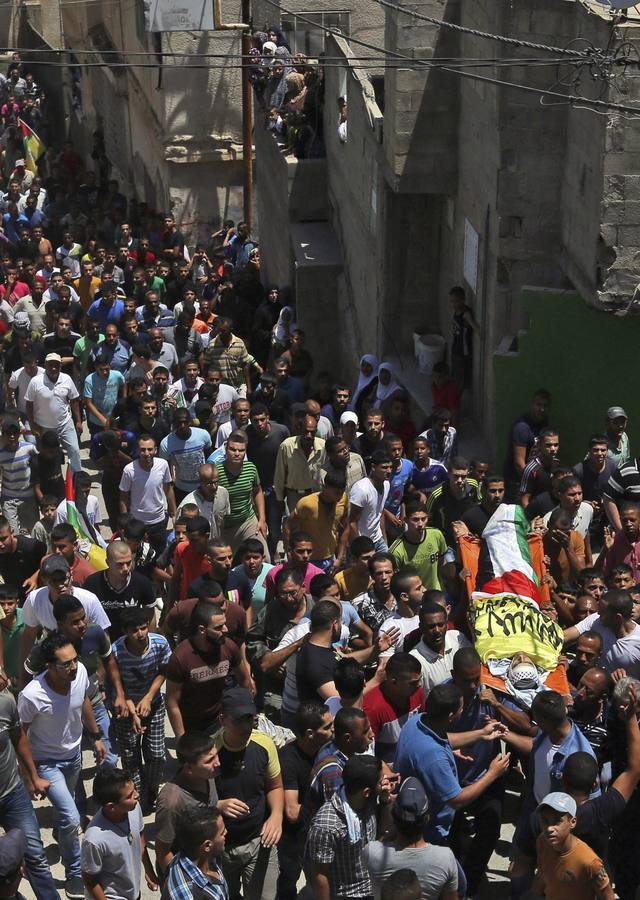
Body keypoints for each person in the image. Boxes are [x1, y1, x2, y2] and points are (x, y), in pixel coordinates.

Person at [17, 632, 108, 899]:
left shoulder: (79, 675)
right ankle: (75, 872)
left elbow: (84, 702)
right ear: (49, 666)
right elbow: (19, 734)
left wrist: (97, 737)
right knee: (71, 817)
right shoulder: (33, 694)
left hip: (74, 756)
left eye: (75, 660)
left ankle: (62, 832)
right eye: (65, 663)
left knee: (64, 815)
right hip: (46, 763)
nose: (73, 667)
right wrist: (30, 775)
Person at [394, 682, 510, 845]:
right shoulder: (434, 756)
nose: (463, 711)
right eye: (461, 709)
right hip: (432, 834)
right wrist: (492, 773)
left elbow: (442, 738)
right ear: (451, 716)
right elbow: (457, 799)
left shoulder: (417, 722)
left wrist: (481, 734)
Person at [213, 687, 283, 900]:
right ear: (222, 720)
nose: (245, 727)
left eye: (250, 720)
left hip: (259, 842)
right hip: (221, 848)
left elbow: (275, 786)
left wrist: (276, 816)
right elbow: (194, 799)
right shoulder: (210, 750)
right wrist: (219, 805)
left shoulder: (264, 744)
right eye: (239, 721)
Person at [111, 607, 171, 812]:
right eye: (135, 630)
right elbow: (116, 684)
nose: (141, 634)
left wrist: (148, 698)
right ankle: (134, 796)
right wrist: (131, 708)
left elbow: (164, 671)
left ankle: (151, 791)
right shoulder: (117, 650)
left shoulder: (160, 644)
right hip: (126, 711)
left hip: (152, 705)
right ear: (126, 631)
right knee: (130, 757)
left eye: (144, 628)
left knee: (156, 754)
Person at [363, 776, 459, 900]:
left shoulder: (372, 852)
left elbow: (381, 840)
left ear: (394, 818)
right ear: (427, 818)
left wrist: (387, 806)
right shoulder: (445, 858)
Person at [165, 600, 250, 737]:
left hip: (220, 719)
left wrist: (246, 712)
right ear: (202, 630)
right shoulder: (181, 657)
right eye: (219, 627)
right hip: (191, 724)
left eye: (225, 624)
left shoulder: (229, 647)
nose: (225, 630)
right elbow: (172, 702)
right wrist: (182, 739)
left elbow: (245, 681)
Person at [306, 754, 385, 900]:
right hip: (346, 895)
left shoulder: (370, 803)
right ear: (366, 792)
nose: (384, 784)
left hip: (372, 888)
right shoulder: (327, 824)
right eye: (381, 782)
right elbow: (319, 874)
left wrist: (386, 801)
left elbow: (383, 836)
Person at [276, 701, 334, 900]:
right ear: (310, 733)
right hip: (293, 840)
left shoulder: (329, 749)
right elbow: (292, 811)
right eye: (327, 727)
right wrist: (330, 811)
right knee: (288, 882)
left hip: (318, 834)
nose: (333, 730)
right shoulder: (288, 760)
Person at [81, 768, 158, 899]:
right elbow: (89, 878)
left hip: (132, 891)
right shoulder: (94, 840)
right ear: (111, 807)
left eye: (134, 790)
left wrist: (149, 870)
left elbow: (139, 835)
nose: (136, 795)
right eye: (129, 795)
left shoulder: (133, 808)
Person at [532, 791, 614, 899]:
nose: (549, 828)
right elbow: (541, 874)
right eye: (545, 821)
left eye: (556, 822)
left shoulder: (591, 862)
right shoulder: (542, 841)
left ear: (573, 822)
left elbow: (608, 896)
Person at [84, 538, 156, 640]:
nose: (126, 568)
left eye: (128, 562)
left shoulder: (142, 583)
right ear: (108, 562)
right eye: (120, 564)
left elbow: (150, 616)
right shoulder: (92, 583)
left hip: (133, 641)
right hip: (104, 640)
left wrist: (151, 641)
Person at [119, 434, 176, 555]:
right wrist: (125, 521)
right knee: (138, 556)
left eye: (150, 449)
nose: (146, 453)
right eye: (143, 449)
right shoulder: (129, 470)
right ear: (137, 450)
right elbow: (123, 496)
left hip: (159, 521)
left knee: (159, 555)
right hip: (137, 522)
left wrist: (173, 511)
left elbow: (168, 488)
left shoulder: (163, 465)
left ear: (155, 450)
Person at [24, 352, 83, 472]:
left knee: (75, 451)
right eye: (50, 365)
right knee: (48, 456)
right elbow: (29, 404)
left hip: (65, 424)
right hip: (44, 427)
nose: (53, 368)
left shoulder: (67, 379)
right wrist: (32, 425)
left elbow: (74, 400)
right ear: (45, 365)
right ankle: (51, 479)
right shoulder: (35, 382)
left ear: (60, 366)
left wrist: (78, 421)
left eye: (56, 365)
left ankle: (77, 480)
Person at [364, 653, 425, 764]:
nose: (419, 685)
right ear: (394, 682)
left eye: (419, 679)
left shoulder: (417, 693)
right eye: (413, 683)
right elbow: (368, 753)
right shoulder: (373, 709)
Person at [216, 430, 269, 557]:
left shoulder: (251, 468)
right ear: (226, 448)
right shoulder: (217, 471)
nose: (237, 454)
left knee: (264, 557)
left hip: (247, 521)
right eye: (233, 449)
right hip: (225, 526)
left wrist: (262, 519)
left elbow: (257, 491)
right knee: (222, 564)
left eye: (241, 450)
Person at [161, 807, 229, 899]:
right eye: (222, 833)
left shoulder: (211, 855)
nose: (226, 832)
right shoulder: (188, 895)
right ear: (207, 846)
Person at [286, 473, 348, 572]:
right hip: (308, 560)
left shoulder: (343, 499)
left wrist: (340, 558)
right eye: (336, 492)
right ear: (325, 487)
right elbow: (288, 526)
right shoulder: (307, 504)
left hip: (331, 560)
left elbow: (345, 528)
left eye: (342, 492)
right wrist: (289, 551)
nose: (339, 496)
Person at [410, 600, 471, 692]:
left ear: (447, 624)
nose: (437, 630)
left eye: (440, 625)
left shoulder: (458, 639)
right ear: (421, 627)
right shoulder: (415, 660)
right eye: (431, 626)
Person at [340, 450, 392, 557]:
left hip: (378, 540)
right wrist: (359, 547)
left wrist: (384, 538)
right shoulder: (362, 489)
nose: (389, 471)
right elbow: (352, 522)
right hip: (362, 543)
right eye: (384, 467)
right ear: (373, 467)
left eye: (391, 467)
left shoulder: (386, 485)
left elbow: (380, 513)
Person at [273, 414, 326, 512]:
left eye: (312, 432)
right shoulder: (287, 446)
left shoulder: (322, 447)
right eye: (306, 431)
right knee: (295, 526)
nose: (309, 435)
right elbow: (280, 474)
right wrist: (279, 499)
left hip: (316, 495)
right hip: (294, 496)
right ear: (300, 429)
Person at [390, 499, 446, 591]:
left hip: (435, 592)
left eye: (423, 519)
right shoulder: (397, 551)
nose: (420, 524)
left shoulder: (437, 535)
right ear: (406, 520)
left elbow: (441, 563)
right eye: (415, 520)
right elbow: (395, 580)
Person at [160, 409, 213, 504]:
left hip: (203, 486)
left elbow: (211, 458)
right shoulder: (166, 443)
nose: (182, 426)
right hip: (181, 488)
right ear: (174, 423)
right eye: (179, 423)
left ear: (190, 421)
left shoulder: (203, 435)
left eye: (185, 422)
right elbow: (165, 469)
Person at [426, 456, 480, 546]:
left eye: (463, 477)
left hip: (469, 537)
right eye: (456, 476)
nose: (460, 481)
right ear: (449, 474)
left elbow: (479, 507)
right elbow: (427, 518)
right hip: (446, 541)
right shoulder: (436, 495)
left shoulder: (473, 486)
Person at [0, 416, 39, 534]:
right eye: (8, 434)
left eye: (15, 433)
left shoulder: (29, 448)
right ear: (3, 435)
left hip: (29, 497)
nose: (12, 437)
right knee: (12, 534)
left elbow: (39, 469)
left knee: (35, 532)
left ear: (19, 433)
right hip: (9, 498)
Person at [176, 463, 230, 539]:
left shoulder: (223, 493)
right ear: (201, 482)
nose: (214, 487)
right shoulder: (188, 504)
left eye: (216, 482)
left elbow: (223, 520)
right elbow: (180, 532)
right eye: (209, 483)